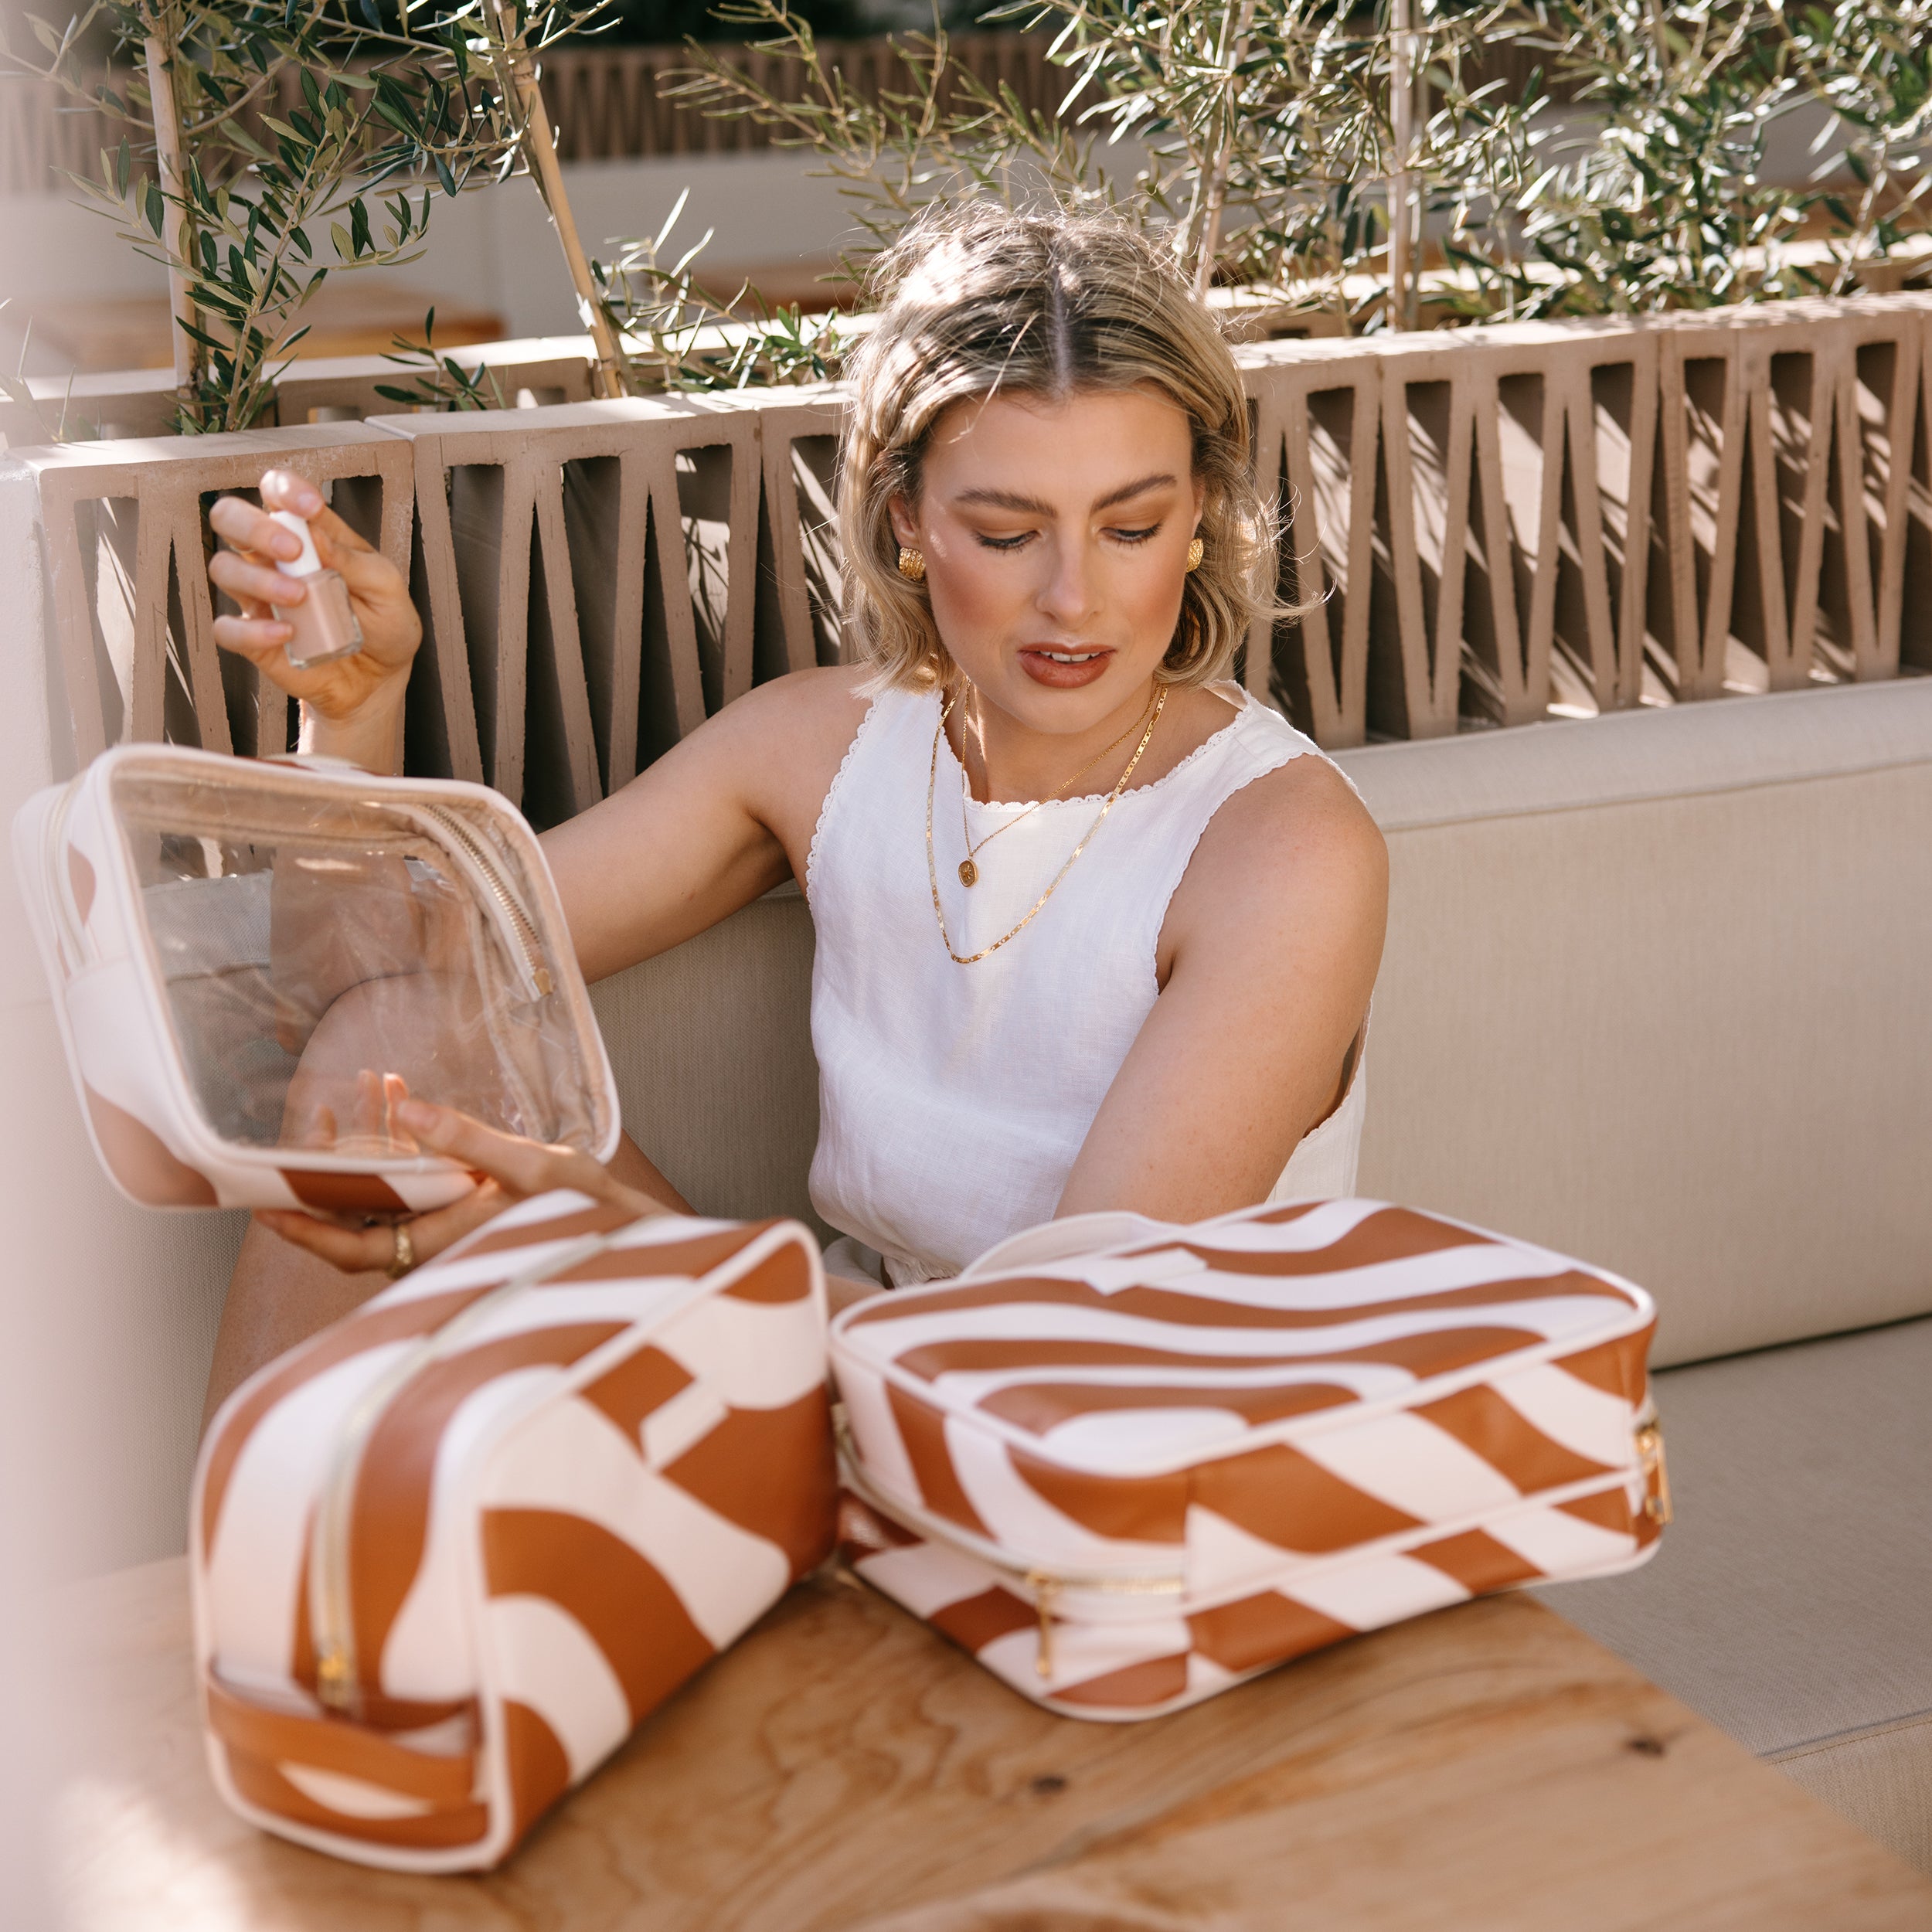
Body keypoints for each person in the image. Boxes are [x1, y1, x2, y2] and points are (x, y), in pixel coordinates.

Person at [199, 206, 1387, 1422]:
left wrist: (623, 1243)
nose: (1074, 597)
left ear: (1199, 518)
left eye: (1130, 527)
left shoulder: (1279, 848)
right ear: (909, 518)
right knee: (393, 1047)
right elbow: (355, 990)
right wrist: (351, 713)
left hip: (1131, 1457)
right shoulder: (825, 747)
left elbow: (1059, 1369)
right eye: (1007, 531)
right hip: (850, 1392)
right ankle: (239, 1587)